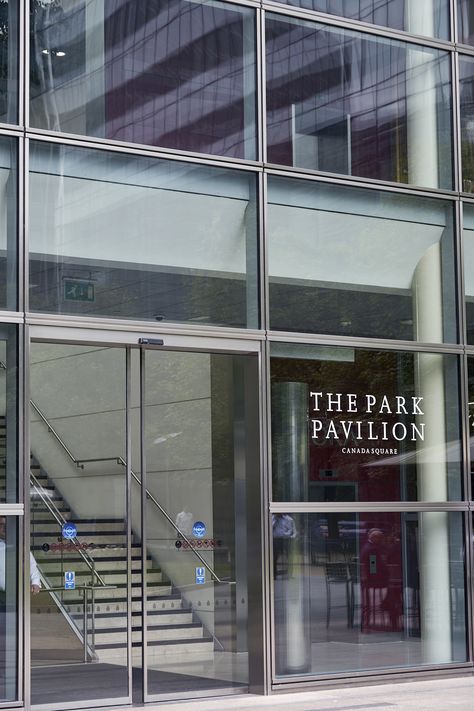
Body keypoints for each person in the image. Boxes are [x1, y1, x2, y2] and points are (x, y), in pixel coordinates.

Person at [0, 517, 41, 594]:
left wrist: (35, 582)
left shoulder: (19, 544)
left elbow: (31, 564)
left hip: (17, 595)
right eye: (1, 524)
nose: (5, 527)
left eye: (7, 524)